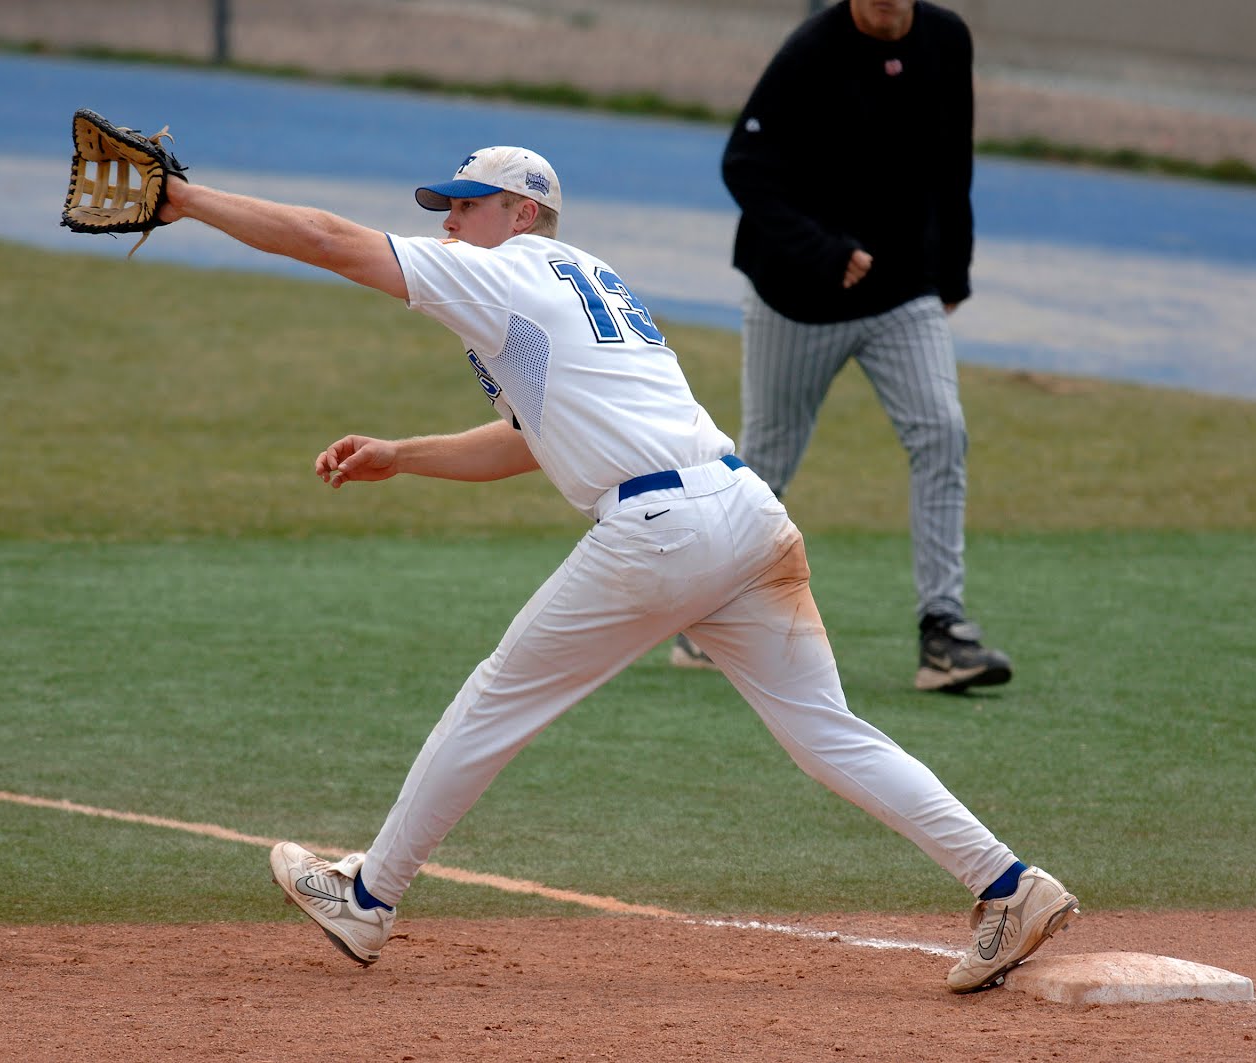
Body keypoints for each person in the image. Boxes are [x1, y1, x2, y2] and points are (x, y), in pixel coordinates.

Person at [156, 144, 1076, 992]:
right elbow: (530, 439)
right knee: (828, 733)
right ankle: (1009, 883)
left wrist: (188, 199)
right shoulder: (585, 277)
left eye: (465, 204)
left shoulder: (505, 269)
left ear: (520, 212)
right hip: (746, 517)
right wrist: (404, 453)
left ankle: (366, 898)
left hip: (662, 531)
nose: (447, 222)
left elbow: (328, 240)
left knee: (495, 701)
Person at [671, 0, 1012, 695]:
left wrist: (955, 269)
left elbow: (954, 157)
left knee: (942, 431)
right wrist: (823, 253)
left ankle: (943, 629)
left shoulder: (946, 39)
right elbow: (744, 165)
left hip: (903, 291)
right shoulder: (809, 53)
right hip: (797, 295)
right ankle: (705, 609)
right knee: (766, 462)